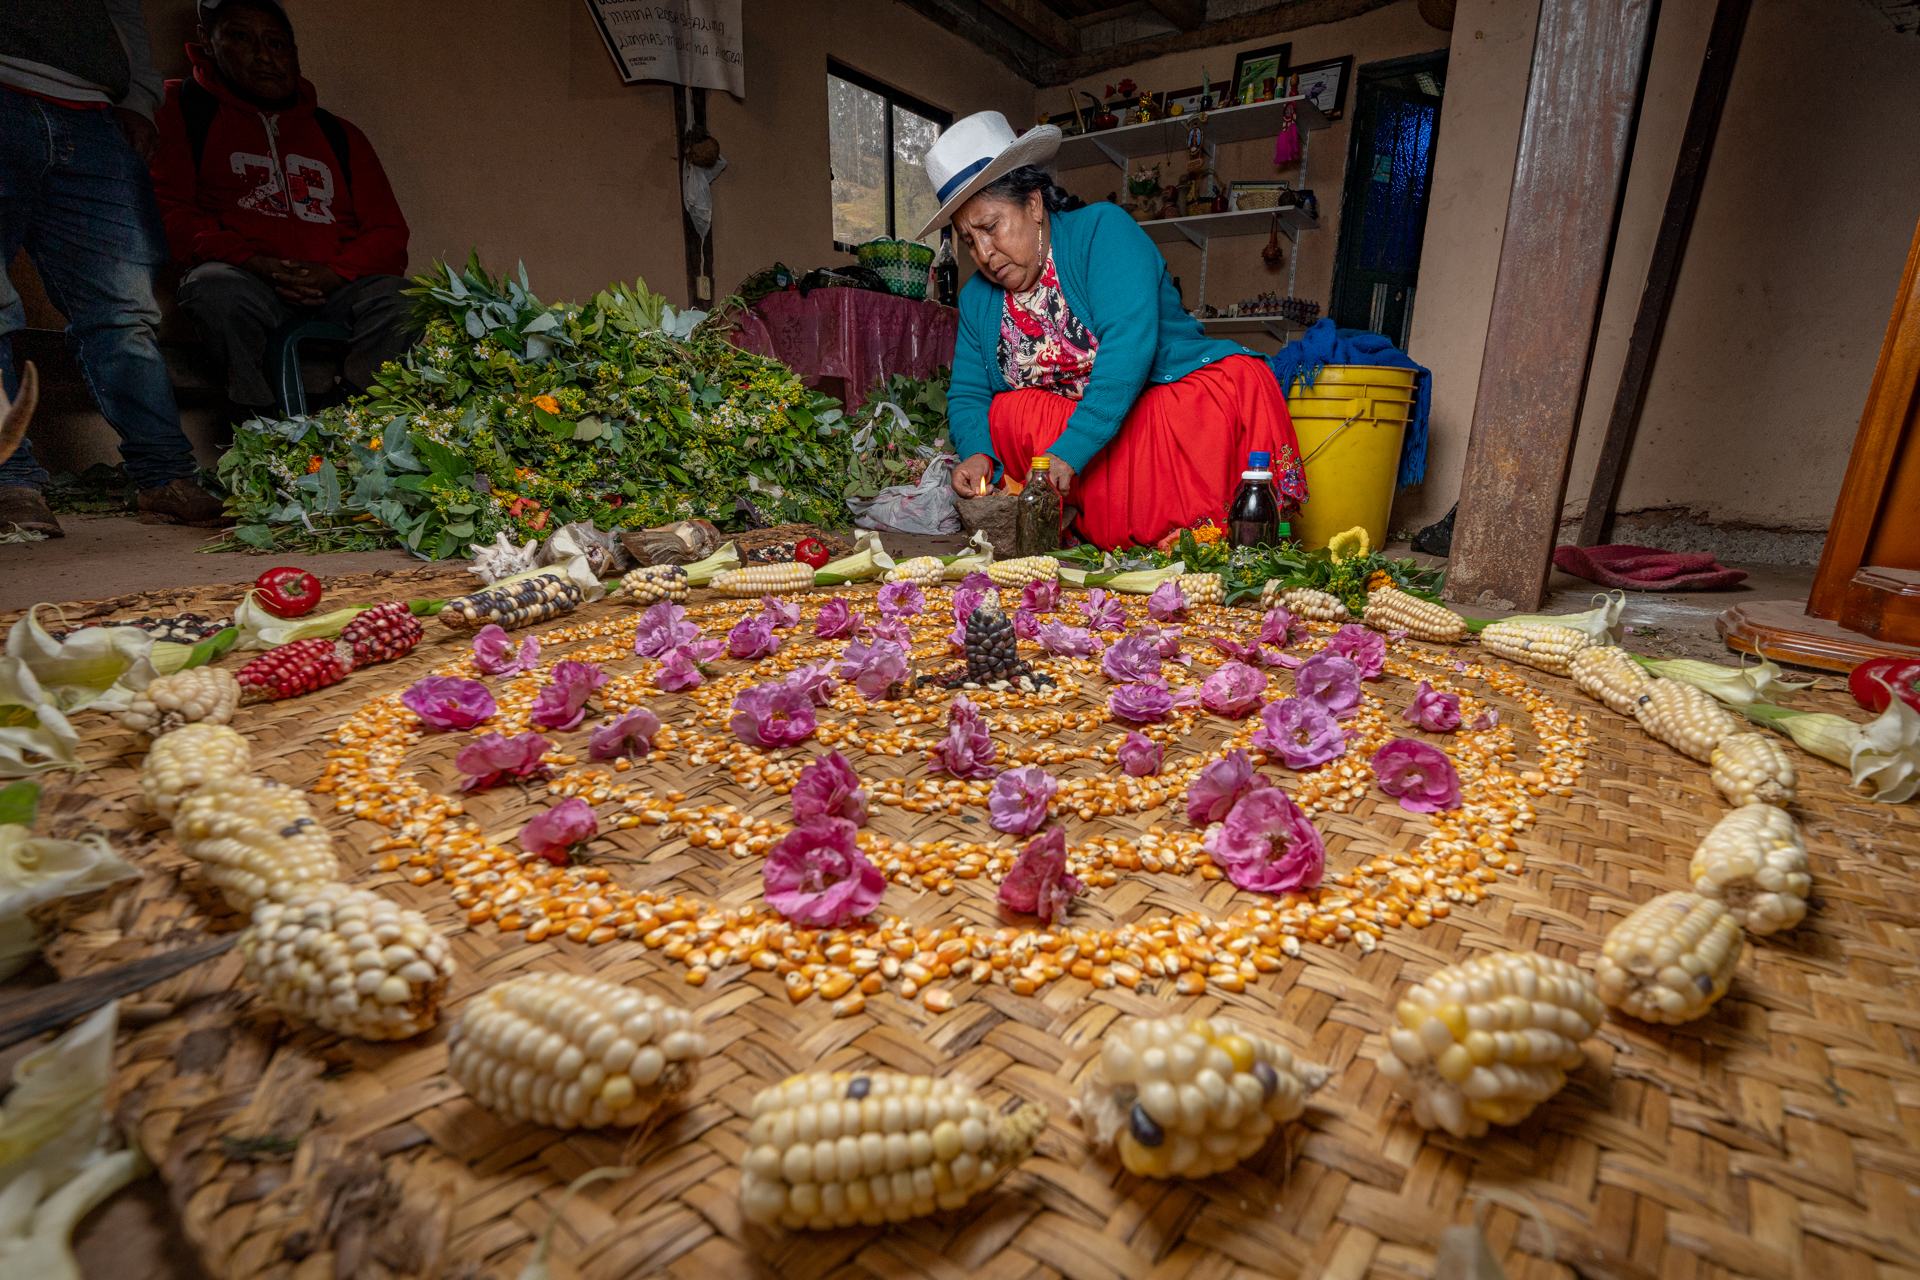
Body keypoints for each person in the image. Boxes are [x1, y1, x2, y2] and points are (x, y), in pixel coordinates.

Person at [923, 112, 1308, 550]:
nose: (985, 254)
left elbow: (1128, 350)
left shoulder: (1103, 232)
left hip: (1147, 415)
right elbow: (969, 392)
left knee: (1238, 381)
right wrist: (977, 453)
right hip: (1072, 449)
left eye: (990, 227)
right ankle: (1104, 523)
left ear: (1033, 205)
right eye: (969, 240)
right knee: (1008, 411)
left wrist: (1072, 449)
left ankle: (1207, 525)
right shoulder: (977, 297)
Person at [0, 0, 226, 534]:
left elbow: (121, 10)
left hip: (93, 112)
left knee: (124, 311)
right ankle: (11, 481)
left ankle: (165, 474)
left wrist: (140, 100)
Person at [152, 0, 416, 413]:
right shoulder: (180, 108)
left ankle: (351, 421)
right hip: (247, 279)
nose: (264, 56)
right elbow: (168, 210)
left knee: (405, 300)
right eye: (241, 37)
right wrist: (252, 260)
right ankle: (262, 423)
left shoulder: (338, 133)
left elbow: (388, 234)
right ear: (207, 41)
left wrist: (332, 274)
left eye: (277, 44)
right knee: (212, 288)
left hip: (336, 287)